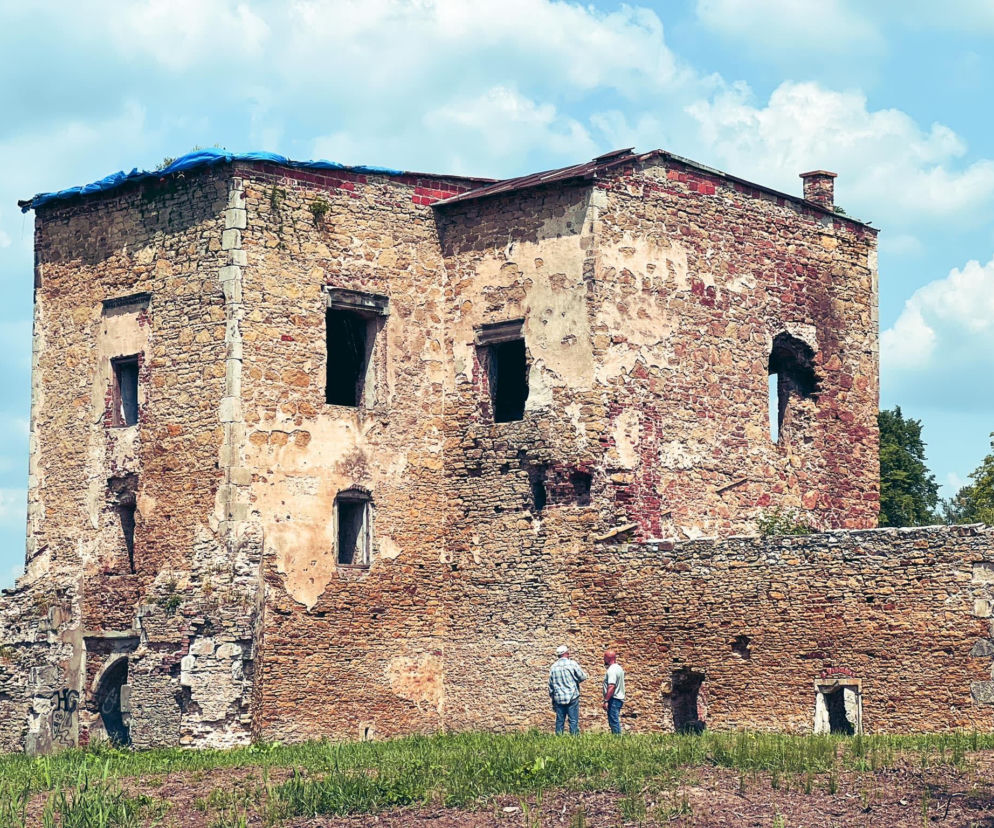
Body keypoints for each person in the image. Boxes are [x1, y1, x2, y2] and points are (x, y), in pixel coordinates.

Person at [548, 644, 587, 734]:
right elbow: (582, 677)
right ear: (566, 653)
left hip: (559, 698)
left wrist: (553, 697)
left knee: (560, 721)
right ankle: (574, 740)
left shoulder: (553, 667)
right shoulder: (572, 664)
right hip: (572, 695)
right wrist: (575, 680)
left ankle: (559, 739)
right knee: (573, 720)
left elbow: (551, 685)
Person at [602, 650, 626, 734]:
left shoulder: (611, 670)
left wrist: (606, 700)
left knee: (613, 721)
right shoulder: (619, 668)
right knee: (614, 720)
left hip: (614, 699)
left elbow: (611, 686)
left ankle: (617, 740)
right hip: (619, 698)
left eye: (604, 657)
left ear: (608, 658)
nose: (603, 659)